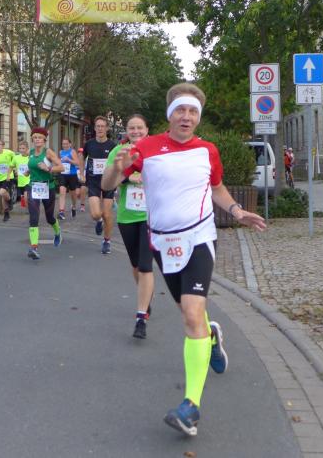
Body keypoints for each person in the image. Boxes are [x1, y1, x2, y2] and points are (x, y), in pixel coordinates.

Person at [102, 83, 267, 437]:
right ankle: (211, 337)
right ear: (170, 115)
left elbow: (217, 187)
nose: (186, 117)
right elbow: (108, 183)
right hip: (163, 242)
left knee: (192, 313)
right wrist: (117, 168)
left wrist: (237, 211)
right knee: (189, 313)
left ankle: (191, 406)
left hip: (198, 238)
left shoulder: (208, 151)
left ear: (198, 117)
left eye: (193, 111)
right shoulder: (145, 147)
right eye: (180, 110)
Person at [105, 115, 154, 339]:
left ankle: (140, 317)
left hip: (151, 216)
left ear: (147, 129)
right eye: (131, 128)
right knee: (135, 264)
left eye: (139, 127)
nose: (135, 131)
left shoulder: (154, 150)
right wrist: (126, 177)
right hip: (127, 215)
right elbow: (108, 181)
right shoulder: (119, 151)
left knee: (145, 265)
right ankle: (145, 295)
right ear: (126, 130)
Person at [26, 128, 64, 260]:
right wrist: (28, 172)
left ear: (44, 140)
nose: (37, 140)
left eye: (39, 137)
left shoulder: (48, 152)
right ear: (32, 139)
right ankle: (34, 247)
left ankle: (57, 232)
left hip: (48, 187)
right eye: (35, 137)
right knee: (33, 217)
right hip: (33, 187)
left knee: (49, 218)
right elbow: (32, 167)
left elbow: (61, 167)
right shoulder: (30, 153)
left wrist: (48, 168)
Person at [81, 116, 116, 254]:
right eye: (98, 126)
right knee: (96, 214)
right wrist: (81, 173)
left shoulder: (112, 146)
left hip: (109, 182)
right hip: (93, 181)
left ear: (107, 128)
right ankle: (99, 220)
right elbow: (82, 158)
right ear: (95, 128)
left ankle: (107, 241)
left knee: (107, 214)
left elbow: (117, 163)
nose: (100, 128)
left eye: (102, 126)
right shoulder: (89, 144)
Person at [57, 138, 82, 220]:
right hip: (63, 174)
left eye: (66, 144)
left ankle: (74, 206)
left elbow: (77, 163)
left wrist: (69, 160)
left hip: (72, 175)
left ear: (70, 144)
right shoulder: (60, 152)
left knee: (73, 194)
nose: (65, 145)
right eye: (63, 144)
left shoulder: (72, 151)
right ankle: (61, 211)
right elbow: (59, 162)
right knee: (62, 191)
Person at [12, 141, 30, 208]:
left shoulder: (30, 157)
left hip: (29, 181)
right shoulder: (16, 157)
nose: (21, 150)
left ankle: (31, 211)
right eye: (20, 148)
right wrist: (15, 170)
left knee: (26, 196)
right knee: (24, 199)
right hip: (20, 181)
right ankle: (29, 209)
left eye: (23, 148)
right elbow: (11, 166)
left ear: (27, 149)